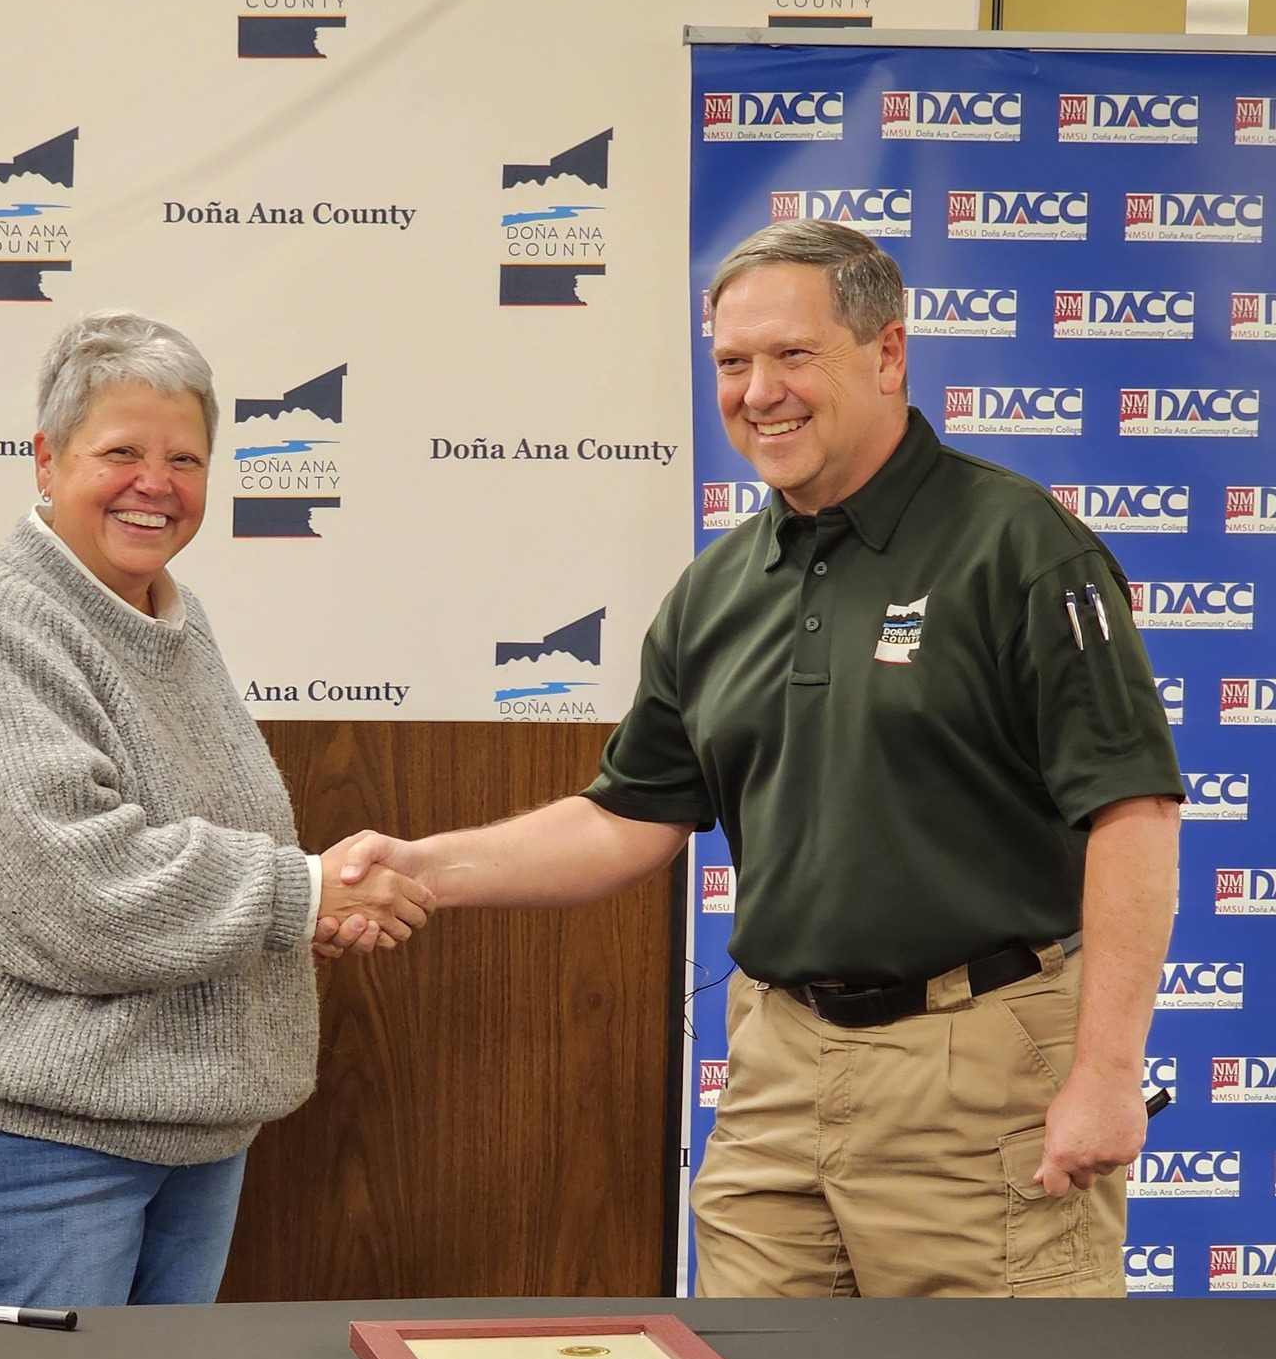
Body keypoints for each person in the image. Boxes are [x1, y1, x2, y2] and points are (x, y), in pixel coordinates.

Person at [325, 221, 1184, 1299]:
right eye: (732, 362)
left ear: (888, 354)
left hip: (982, 1077)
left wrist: (1107, 1073)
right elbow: (627, 816)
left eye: (792, 354)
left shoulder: (1017, 546)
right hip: (776, 1076)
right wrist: (423, 866)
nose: (758, 390)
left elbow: (1135, 813)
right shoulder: (720, 586)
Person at [0, 310, 431, 1310]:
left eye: (185, 457)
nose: (157, 482)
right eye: (122, 451)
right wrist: (294, 892)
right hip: (8, 1135)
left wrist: (290, 911)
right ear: (46, 460)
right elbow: (75, 889)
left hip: (178, 1127)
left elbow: (195, 849)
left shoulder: (170, 618)